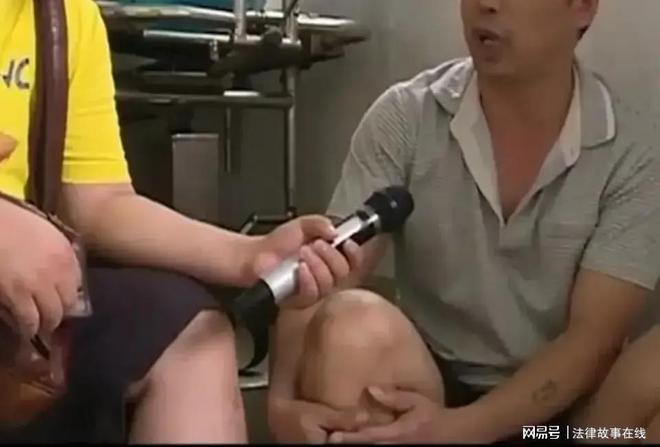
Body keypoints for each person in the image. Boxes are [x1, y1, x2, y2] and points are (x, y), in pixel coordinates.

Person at [268, 0, 660, 443]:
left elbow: (592, 341)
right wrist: (281, 405)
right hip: (429, 390)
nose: (486, 5)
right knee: (350, 326)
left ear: (583, 7)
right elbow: (324, 274)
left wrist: (459, 432)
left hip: (562, 424)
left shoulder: (633, 151)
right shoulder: (409, 115)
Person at [0, 0, 358, 443]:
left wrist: (250, 255)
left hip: (20, 311)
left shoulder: (63, 16)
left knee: (192, 334)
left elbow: (98, 203)